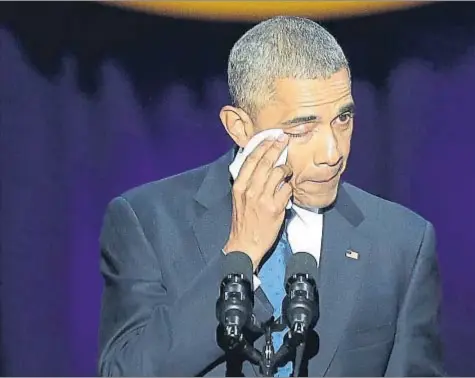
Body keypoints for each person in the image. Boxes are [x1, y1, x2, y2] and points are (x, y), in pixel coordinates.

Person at [98, 16, 444, 377]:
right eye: (302, 127)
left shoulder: (403, 242)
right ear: (241, 128)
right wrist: (241, 253)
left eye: (342, 120)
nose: (332, 152)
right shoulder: (146, 222)